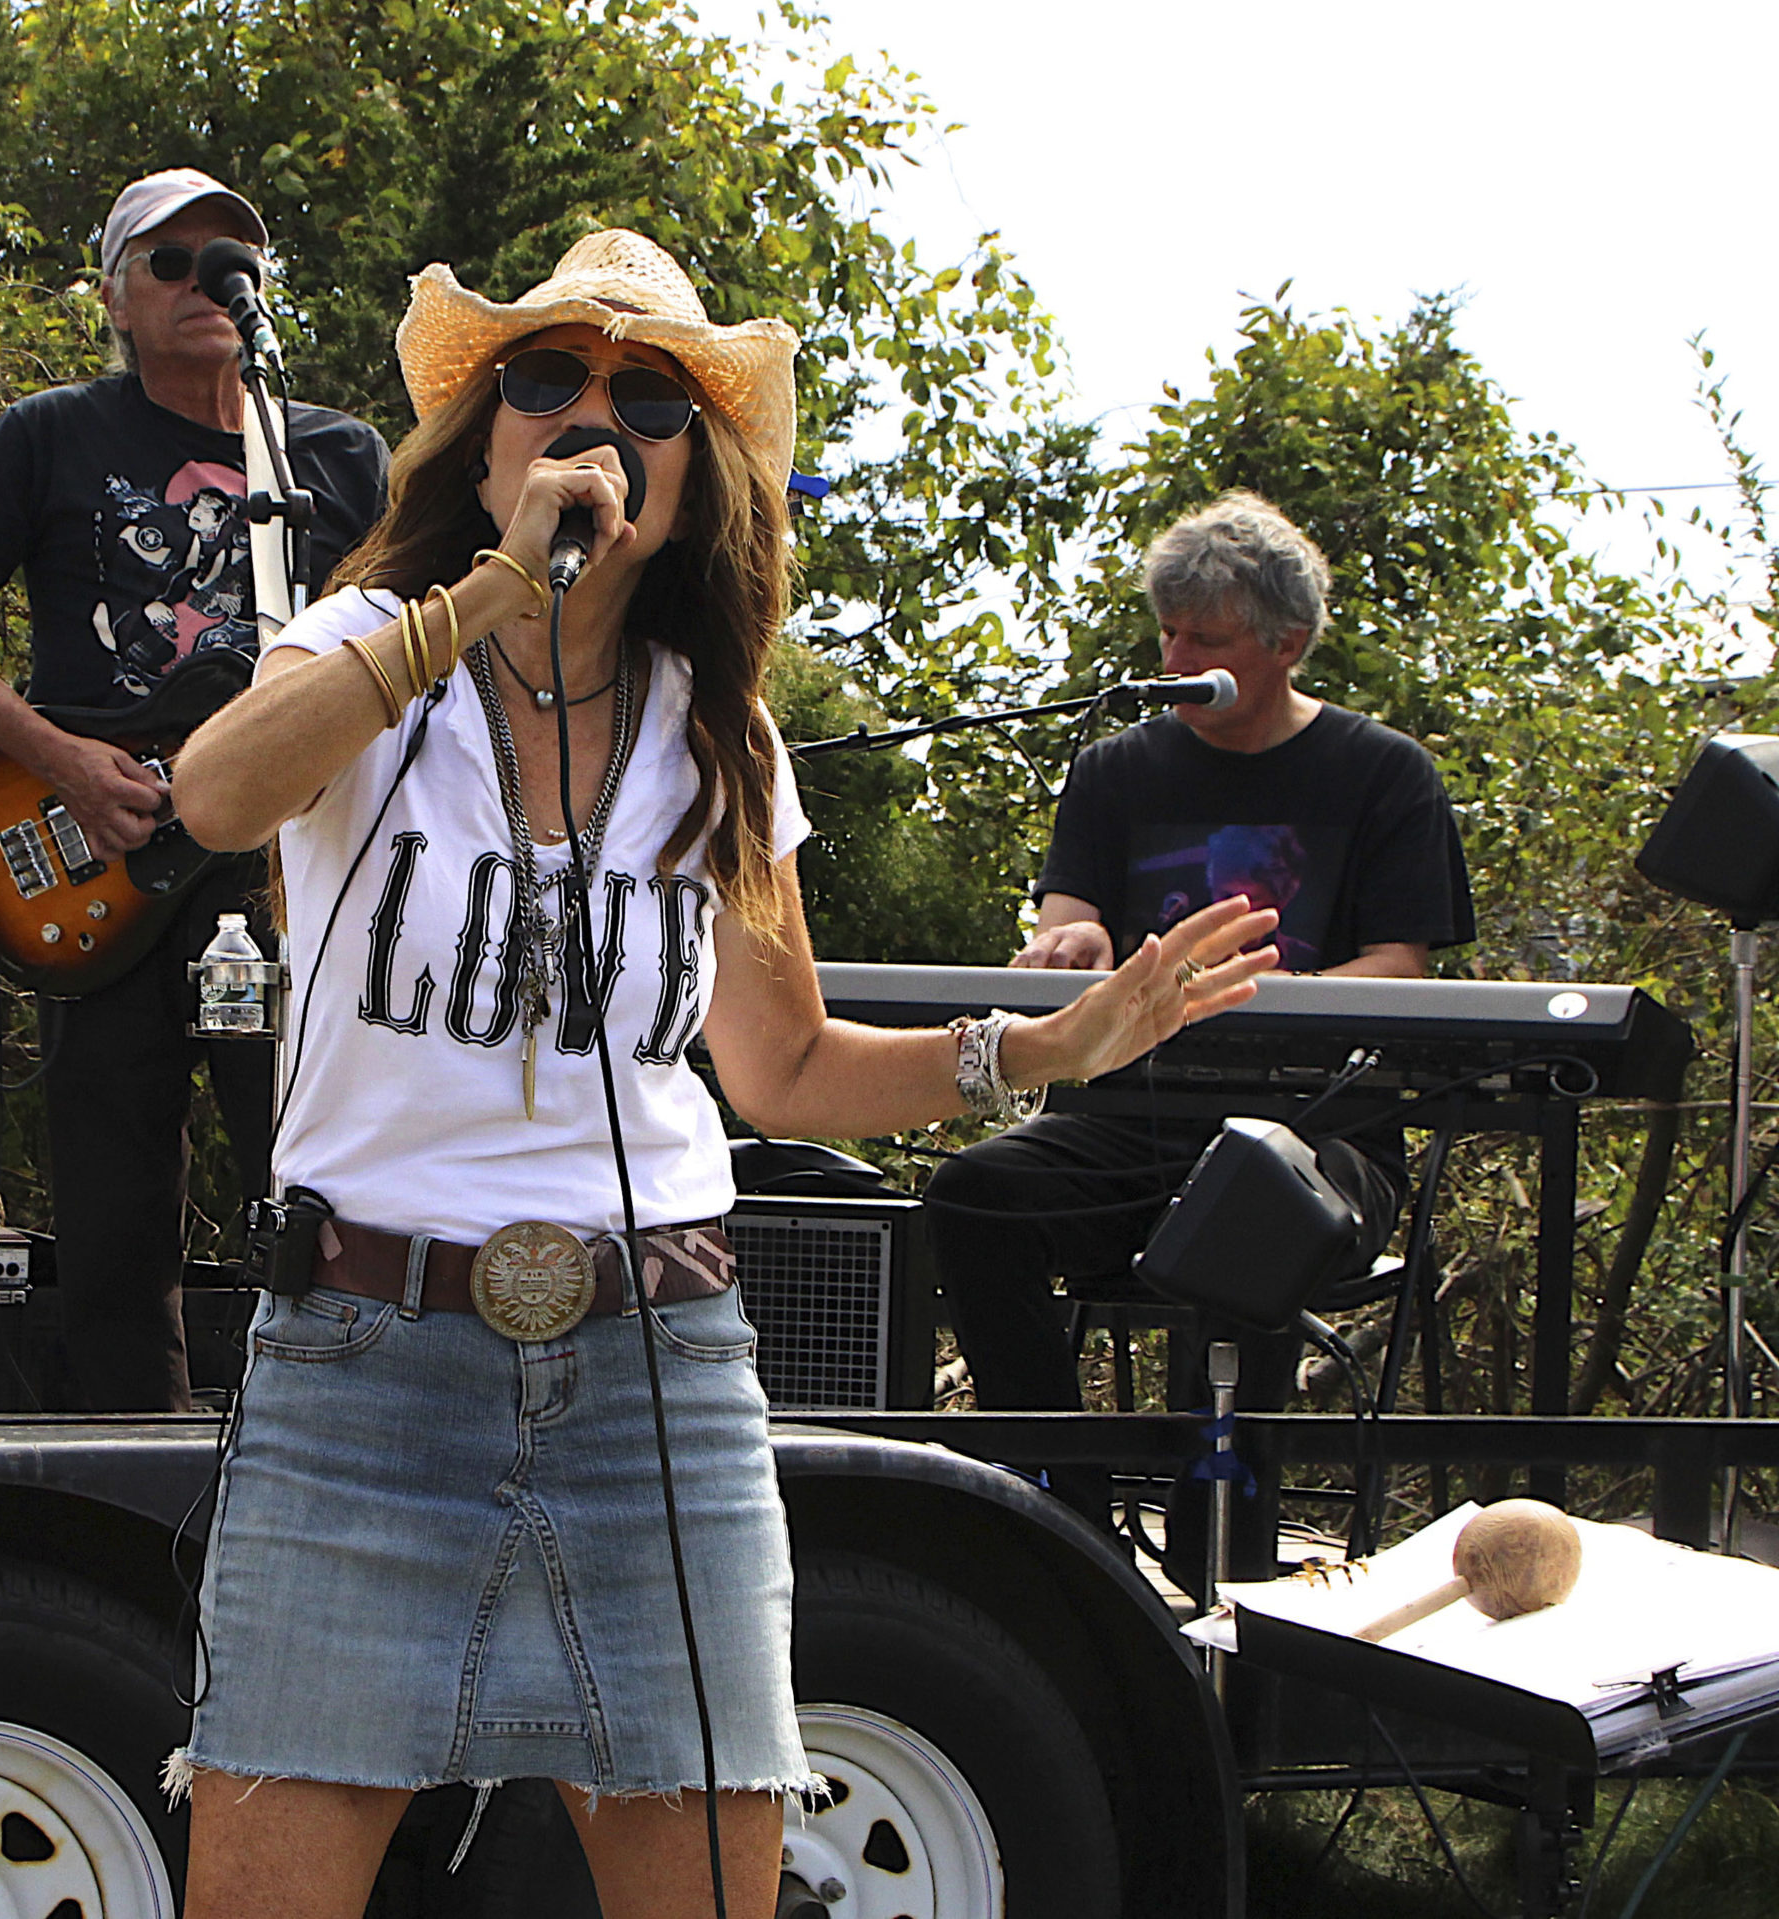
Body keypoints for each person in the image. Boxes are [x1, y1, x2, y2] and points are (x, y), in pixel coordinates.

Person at [166, 230, 1281, 1919]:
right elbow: (214, 797)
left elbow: (786, 1063)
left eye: (652, 397)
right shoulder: (368, 643)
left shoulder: (722, 734)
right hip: (362, 1363)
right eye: (545, 381)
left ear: (699, 482)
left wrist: (1040, 1049)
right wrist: (483, 594)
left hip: (657, 1377)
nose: (593, 418)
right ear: (485, 444)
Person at [0, 169, 389, 1410]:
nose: (206, 281)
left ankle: (338, 1435)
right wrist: (59, 761)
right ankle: (129, 1467)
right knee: (113, 1204)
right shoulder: (53, 435)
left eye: (231, 260)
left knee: (326, 1177)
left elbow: (420, 652)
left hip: (294, 872)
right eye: (171, 262)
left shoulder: (336, 457)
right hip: (105, 854)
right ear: (114, 295)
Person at [928, 490, 1476, 1583]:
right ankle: (1060, 1508)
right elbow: (1067, 914)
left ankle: (1221, 1546)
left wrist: (1246, 993)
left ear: (1288, 644)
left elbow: (1401, 967)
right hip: (1128, 1120)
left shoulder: (1383, 774)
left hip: (1316, 1136)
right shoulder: (1118, 768)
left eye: (1207, 640)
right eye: (1167, 633)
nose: (1175, 657)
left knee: (1249, 1201)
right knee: (970, 1196)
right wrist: (1072, 944)